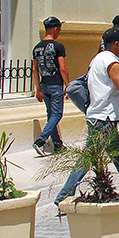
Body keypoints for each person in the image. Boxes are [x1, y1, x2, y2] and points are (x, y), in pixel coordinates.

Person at [54, 28, 119, 205]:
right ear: (116, 44)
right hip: (103, 118)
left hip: (103, 116)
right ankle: (63, 196)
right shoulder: (112, 62)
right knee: (87, 159)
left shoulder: (97, 59)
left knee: (118, 155)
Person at [32, 16, 70, 156]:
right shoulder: (58, 47)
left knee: (51, 115)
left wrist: (38, 89)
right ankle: (40, 141)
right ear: (55, 29)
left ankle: (57, 144)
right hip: (55, 84)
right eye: (59, 28)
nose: (59, 31)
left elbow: (34, 69)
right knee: (57, 114)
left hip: (44, 85)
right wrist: (68, 84)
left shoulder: (36, 48)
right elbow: (63, 68)